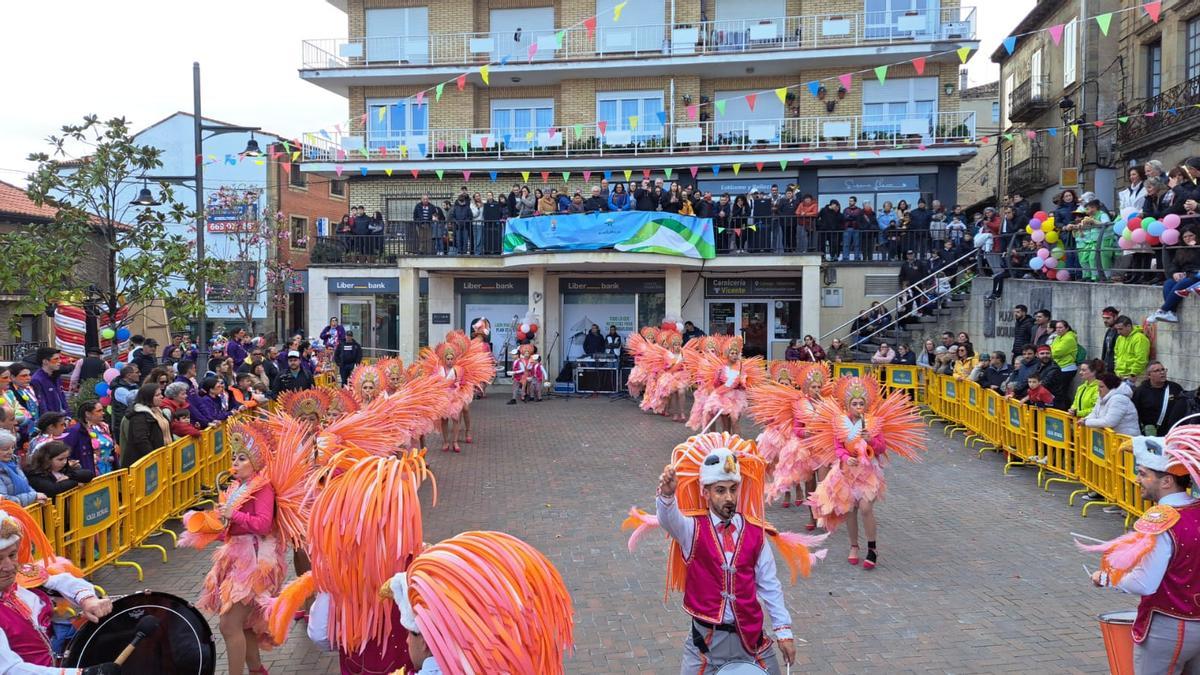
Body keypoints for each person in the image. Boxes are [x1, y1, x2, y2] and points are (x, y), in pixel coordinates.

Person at [652, 438, 802, 673]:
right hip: (706, 647)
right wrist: (667, 496)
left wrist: (784, 632)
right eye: (720, 490)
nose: (729, 498)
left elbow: (770, 584)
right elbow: (668, 519)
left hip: (751, 642)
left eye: (733, 489)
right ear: (705, 492)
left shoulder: (755, 532)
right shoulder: (692, 528)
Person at [1084, 425, 1200, 672]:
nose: (1137, 479)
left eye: (1143, 473)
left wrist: (1105, 578)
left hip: (1168, 625)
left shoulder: (1160, 519)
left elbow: (1144, 583)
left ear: (1167, 480)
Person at [180, 425, 288, 675]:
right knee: (244, 624)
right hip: (237, 557)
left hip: (255, 561)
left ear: (256, 462)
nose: (235, 463)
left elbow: (262, 525)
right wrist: (209, 529)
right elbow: (233, 526)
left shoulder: (262, 487)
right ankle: (257, 670)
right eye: (234, 457)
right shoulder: (239, 487)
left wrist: (233, 514)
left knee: (229, 625)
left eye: (242, 458)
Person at [806, 376, 924, 570]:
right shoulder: (839, 422)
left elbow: (881, 448)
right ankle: (854, 546)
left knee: (865, 507)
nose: (858, 406)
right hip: (847, 471)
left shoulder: (873, 423)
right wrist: (845, 458)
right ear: (847, 405)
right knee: (849, 509)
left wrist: (870, 440)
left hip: (868, 473)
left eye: (861, 403)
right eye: (854, 403)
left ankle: (872, 547)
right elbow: (838, 448)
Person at [0, 500, 120, 674]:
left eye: (12, 555)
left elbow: (63, 580)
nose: (10, 566)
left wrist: (88, 600)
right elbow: (10, 669)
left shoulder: (22, 577)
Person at [1149, 226, 1200, 323]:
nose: (1188, 238)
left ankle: (1162, 310)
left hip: (1196, 274)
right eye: (1185, 237)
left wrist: (1196, 249)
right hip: (1185, 274)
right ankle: (1172, 313)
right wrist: (1175, 273)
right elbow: (1174, 264)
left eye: (1191, 236)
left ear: (1197, 236)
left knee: (1182, 284)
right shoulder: (1181, 250)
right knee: (1168, 283)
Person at [121, 383, 170, 469]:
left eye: (161, 393)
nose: (162, 396)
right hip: (145, 463)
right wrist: (154, 458)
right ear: (148, 397)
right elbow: (141, 440)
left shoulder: (158, 411)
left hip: (163, 456)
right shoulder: (139, 415)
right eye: (157, 395)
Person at [63, 398, 116, 475]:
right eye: (99, 411)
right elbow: (67, 452)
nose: (103, 413)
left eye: (102, 410)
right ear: (88, 414)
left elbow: (112, 450)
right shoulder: (76, 431)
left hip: (109, 470)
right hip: (91, 473)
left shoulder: (105, 427)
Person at [24, 440, 93, 499]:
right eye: (60, 459)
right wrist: (76, 482)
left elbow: (88, 474)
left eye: (66, 458)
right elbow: (53, 490)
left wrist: (69, 476)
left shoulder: (63, 468)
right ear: (47, 459)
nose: (64, 462)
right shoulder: (35, 474)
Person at [1131, 362, 1184, 436]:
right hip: (1150, 433)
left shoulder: (1175, 388)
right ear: (1149, 375)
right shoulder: (1141, 391)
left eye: (1163, 369)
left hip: (1172, 432)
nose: (1162, 372)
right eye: (1157, 371)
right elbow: (1134, 413)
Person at [0, 430, 45, 506]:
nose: (10, 452)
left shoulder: (13, 463)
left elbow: (26, 485)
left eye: (12, 448)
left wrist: (36, 496)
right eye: (5, 449)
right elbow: (4, 501)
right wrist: (34, 497)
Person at [30, 348, 66, 417]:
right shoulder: (36, 380)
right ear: (45, 361)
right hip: (51, 421)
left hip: (62, 418)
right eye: (56, 359)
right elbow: (42, 405)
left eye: (59, 358)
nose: (60, 361)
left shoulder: (56, 377)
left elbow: (62, 398)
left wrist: (68, 416)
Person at [1114, 315, 1151, 383]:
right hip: (1121, 376)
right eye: (1117, 329)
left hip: (1135, 376)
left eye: (1120, 329)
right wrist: (1117, 371)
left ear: (1128, 326)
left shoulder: (1139, 338)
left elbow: (1141, 359)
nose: (1118, 332)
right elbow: (1116, 355)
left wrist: (1133, 374)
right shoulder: (1120, 338)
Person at [1049, 320, 1079, 386]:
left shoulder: (1069, 338)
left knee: (1060, 390)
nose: (1058, 329)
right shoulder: (1058, 337)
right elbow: (1050, 348)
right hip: (1059, 366)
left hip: (1067, 367)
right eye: (1056, 328)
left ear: (1067, 328)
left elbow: (1056, 353)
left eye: (1060, 327)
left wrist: (1051, 351)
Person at [1100, 307, 1120, 374]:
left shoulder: (1119, 332)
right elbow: (1105, 350)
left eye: (1108, 318)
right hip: (1107, 368)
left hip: (1116, 370)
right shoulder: (1109, 331)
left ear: (1116, 317)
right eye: (1104, 318)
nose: (1105, 320)